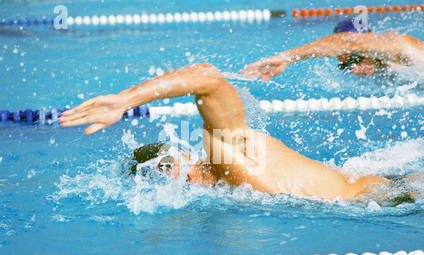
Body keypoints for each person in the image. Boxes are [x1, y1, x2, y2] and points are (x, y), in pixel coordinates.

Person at [59, 63, 418, 203]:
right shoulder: (222, 186)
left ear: (178, 161)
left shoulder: (223, 153)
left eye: (168, 170)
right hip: (387, 193)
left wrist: (126, 99)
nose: (175, 180)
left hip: (390, 197)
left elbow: (209, 79)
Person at [241, 18, 424, 79]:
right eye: (345, 66)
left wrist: (287, 57)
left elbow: (349, 41)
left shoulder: (404, 48)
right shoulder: (394, 69)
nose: (353, 69)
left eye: (355, 59)